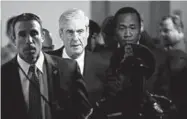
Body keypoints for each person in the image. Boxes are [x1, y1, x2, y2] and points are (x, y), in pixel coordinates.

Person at [1, 13, 92, 119]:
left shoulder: (68, 69)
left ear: (42, 36)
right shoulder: (4, 75)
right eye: (22, 35)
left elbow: (84, 112)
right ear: (13, 40)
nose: (29, 40)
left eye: (34, 33)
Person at [47, 8, 110, 106]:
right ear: (61, 34)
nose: (75, 38)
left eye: (80, 31)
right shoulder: (47, 61)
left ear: (87, 32)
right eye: (70, 32)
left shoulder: (104, 65)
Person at [154, 15, 187, 119]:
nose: (162, 34)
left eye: (166, 31)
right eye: (161, 31)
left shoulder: (180, 55)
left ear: (179, 30)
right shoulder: (168, 51)